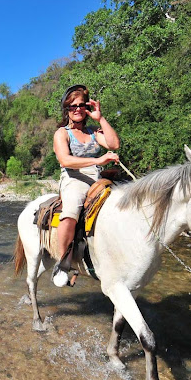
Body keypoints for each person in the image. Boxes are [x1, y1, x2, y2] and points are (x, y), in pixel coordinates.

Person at [52, 84, 120, 287]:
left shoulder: (93, 131)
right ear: (67, 109)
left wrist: (100, 119)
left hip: (98, 178)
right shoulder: (62, 133)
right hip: (74, 178)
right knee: (71, 210)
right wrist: (98, 161)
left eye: (81, 105)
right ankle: (63, 263)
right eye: (73, 106)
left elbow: (114, 144)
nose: (78, 109)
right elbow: (65, 160)